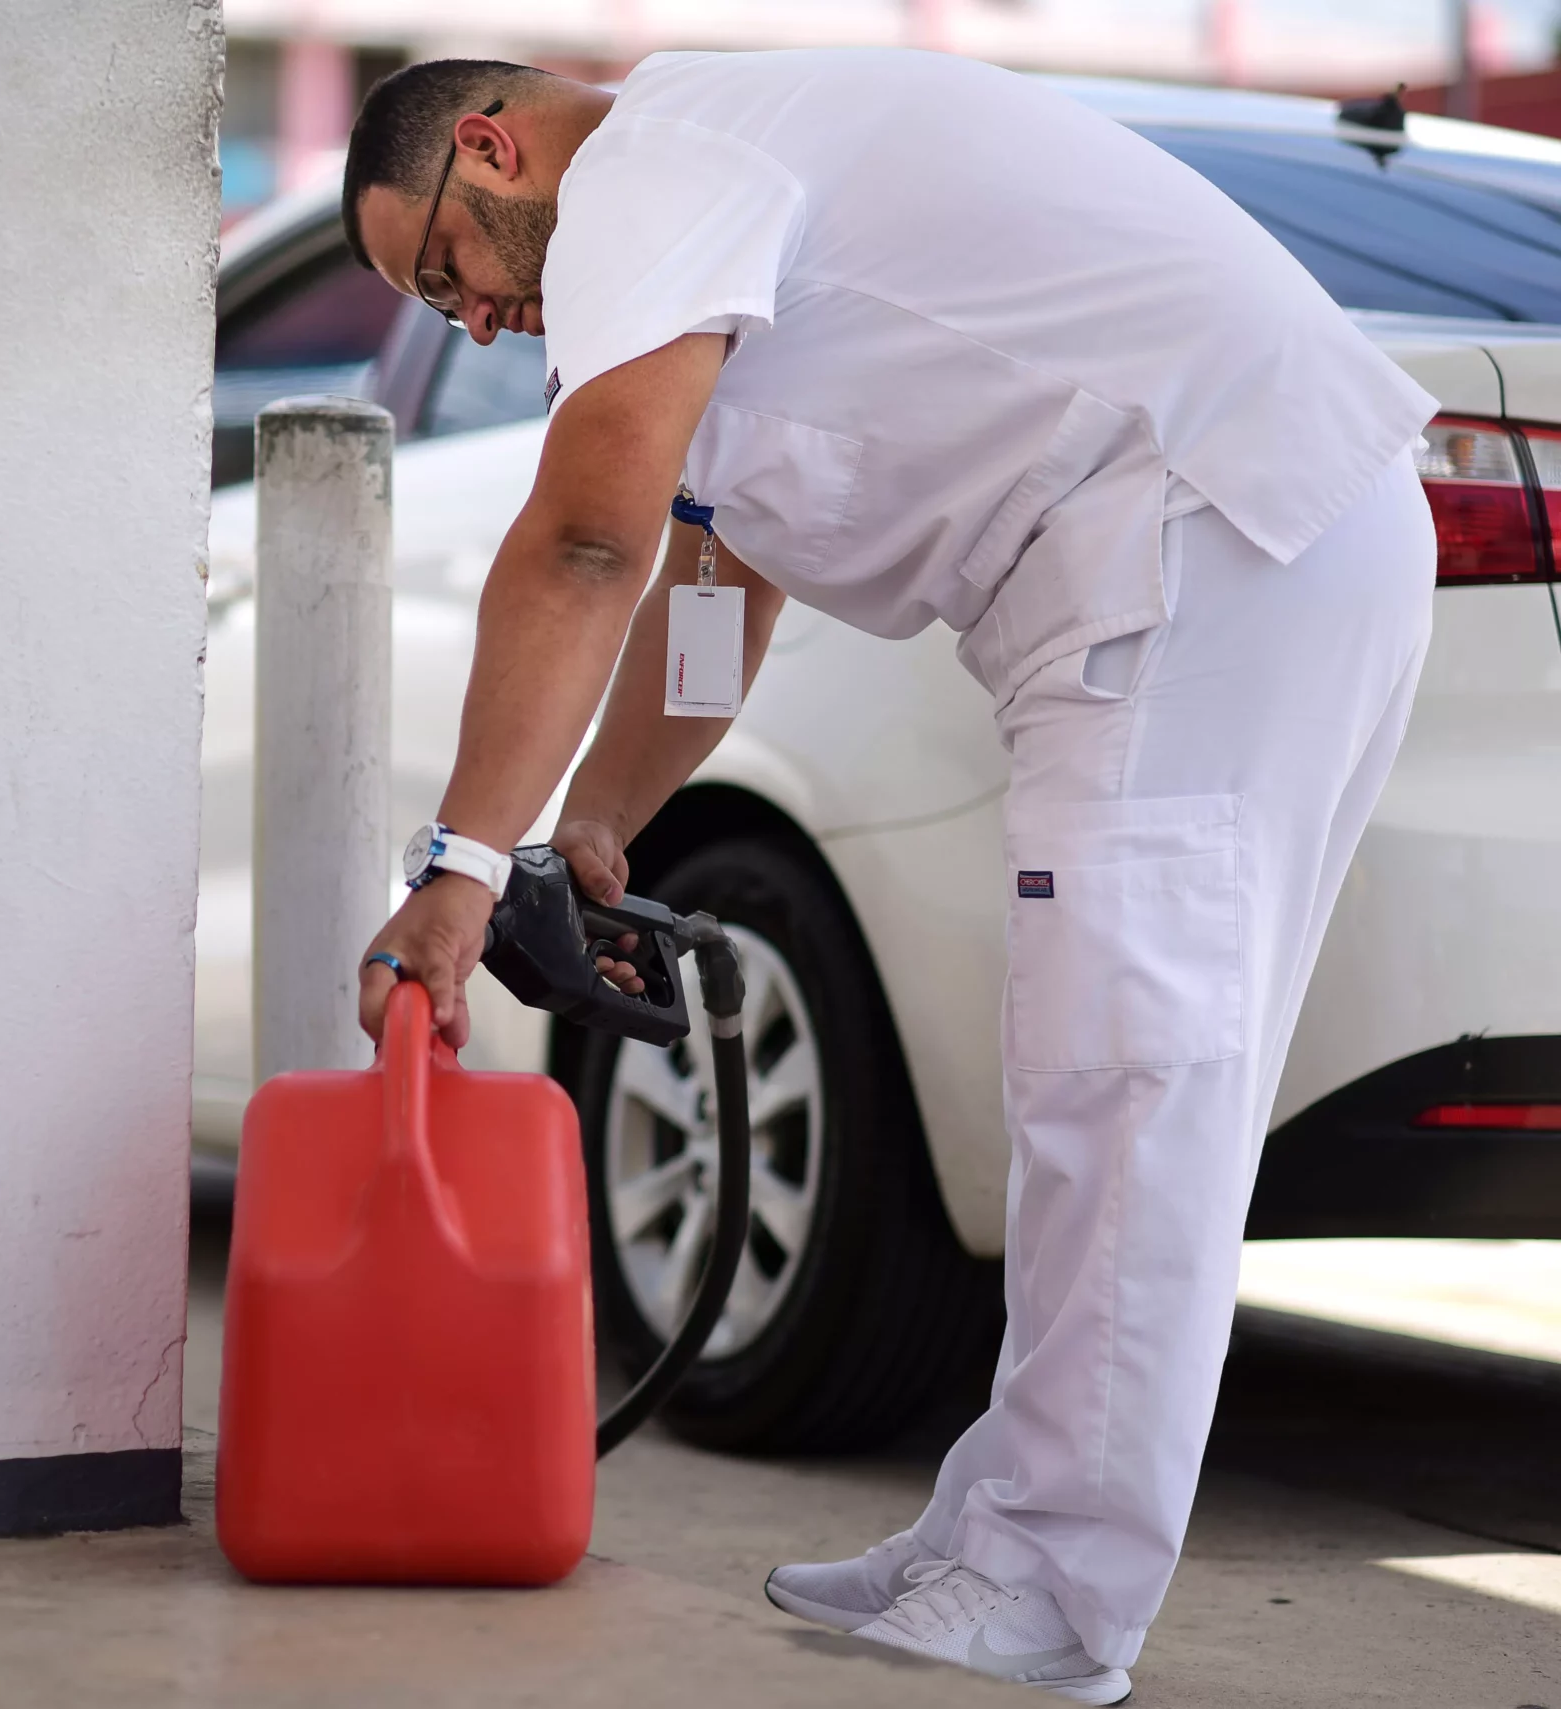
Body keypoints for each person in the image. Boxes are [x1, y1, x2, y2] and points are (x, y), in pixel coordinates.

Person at [342, 49, 1436, 1705]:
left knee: (1125, 1080)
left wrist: (458, 867)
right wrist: (592, 827)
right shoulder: (718, 227)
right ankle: (996, 1532)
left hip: (1204, 544)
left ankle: (1060, 1601)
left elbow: (584, 542)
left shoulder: (654, 164)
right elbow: (717, 599)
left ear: (491, 147)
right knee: (1091, 1071)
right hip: (1203, 555)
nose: (476, 325)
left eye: (450, 273)